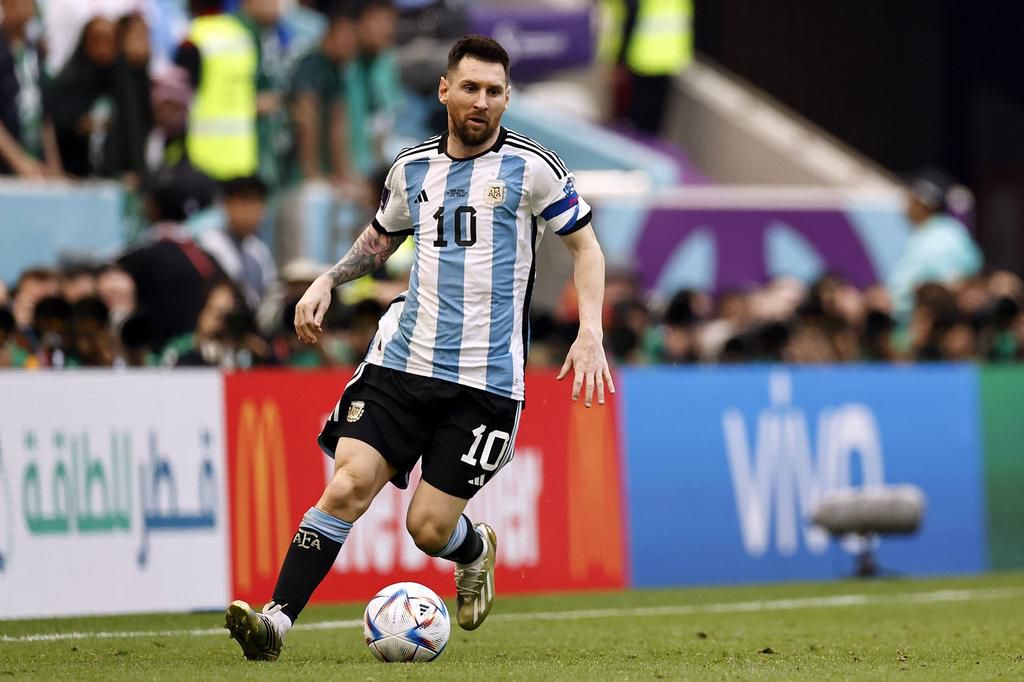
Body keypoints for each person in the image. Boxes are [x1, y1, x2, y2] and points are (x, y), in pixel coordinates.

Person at [223, 34, 613, 661]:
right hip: (402, 363)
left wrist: (589, 330)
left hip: (485, 384)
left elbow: (586, 248)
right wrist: (329, 277)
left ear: (507, 98)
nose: (481, 101)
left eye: (494, 91)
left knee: (427, 529)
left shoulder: (533, 168)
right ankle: (275, 624)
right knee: (348, 485)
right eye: (470, 88)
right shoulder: (411, 169)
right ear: (444, 90)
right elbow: (380, 240)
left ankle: (472, 549)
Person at [117, 162, 223, 352]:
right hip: (199, 359)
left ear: (153, 207)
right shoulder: (206, 259)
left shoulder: (137, 259)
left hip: (151, 362)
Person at [174, 0, 259, 180]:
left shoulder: (193, 37)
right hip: (241, 152)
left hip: (202, 154)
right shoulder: (241, 35)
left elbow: (179, 94)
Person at [887, 170, 983, 323]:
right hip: (912, 322)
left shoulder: (950, 234)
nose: (906, 207)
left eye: (911, 200)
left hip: (934, 322)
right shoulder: (928, 234)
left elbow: (968, 275)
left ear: (924, 204)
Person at [286, 4, 359, 186]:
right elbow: (306, 119)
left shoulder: (339, 71)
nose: (350, 42)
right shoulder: (312, 65)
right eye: (345, 34)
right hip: (291, 164)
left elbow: (337, 125)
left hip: (322, 168)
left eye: (354, 36)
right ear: (329, 34)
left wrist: (343, 176)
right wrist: (312, 175)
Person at [46, 16, 118, 177]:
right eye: (96, 40)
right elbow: (53, 127)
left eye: (108, 41)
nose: (102, 49)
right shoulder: (67, 83)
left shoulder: (121, 85)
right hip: (70, 177)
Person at [0, 0, 61, 177]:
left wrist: (54, 169)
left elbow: (45, 118)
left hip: (36, 165)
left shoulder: (35, 51)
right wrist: (19, 161)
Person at [199, 175, 277, 310]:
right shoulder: (209, 244)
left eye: (258, 201)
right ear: (226, 203)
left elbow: (272, 295)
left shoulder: (259, 249)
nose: (252, 209)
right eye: (244, 200)